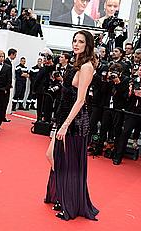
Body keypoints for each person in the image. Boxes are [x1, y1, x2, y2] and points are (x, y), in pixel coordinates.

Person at [45, 30, 99, 221]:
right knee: (52, 156)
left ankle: (69, 203)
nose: (76, 44)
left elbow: (81, 99)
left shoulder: (87, 66)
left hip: (75, 121)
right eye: (74, 41)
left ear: (87, 45)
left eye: (80, 42)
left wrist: (66, 125)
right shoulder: (75, 63)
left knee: (68, 163)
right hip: (63, 115)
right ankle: (62, 195)